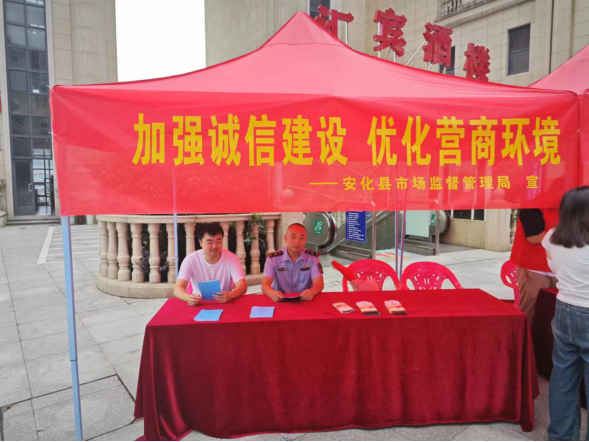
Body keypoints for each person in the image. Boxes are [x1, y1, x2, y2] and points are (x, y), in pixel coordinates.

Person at [542, 187, 589, 441]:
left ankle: (561, 436)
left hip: (564, 310)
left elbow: (553, 266)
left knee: (563, 378)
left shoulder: (552, 236)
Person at [174, 223, 247, 306]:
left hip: (225, 302)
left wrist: (230, 295)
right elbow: (178, 288)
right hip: (199, 303)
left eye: (218, 241)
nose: (214, 246)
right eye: (209, 242)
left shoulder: (232, 258)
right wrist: (188, 298)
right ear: (201, 243)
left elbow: (242, 286)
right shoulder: (191, 260)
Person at [510, 208, 559, 323]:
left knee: (555, 315)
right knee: (531, 313)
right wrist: (571, 235)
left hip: (560, 268)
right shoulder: (532, 205)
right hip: (534, 269)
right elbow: (534, 237)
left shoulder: (570, 203)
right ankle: (527, 335)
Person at [262, 223, 324, 302]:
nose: (297, 242)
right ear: (285, 238)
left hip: (305, 300)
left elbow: (319, 283)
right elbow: (265, 284)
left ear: (305, 240)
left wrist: (312, 292)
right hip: (281, 300)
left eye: (301, 238)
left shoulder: (313, 258)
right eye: (293, 237)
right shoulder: (273, 259)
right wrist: (272, 294)